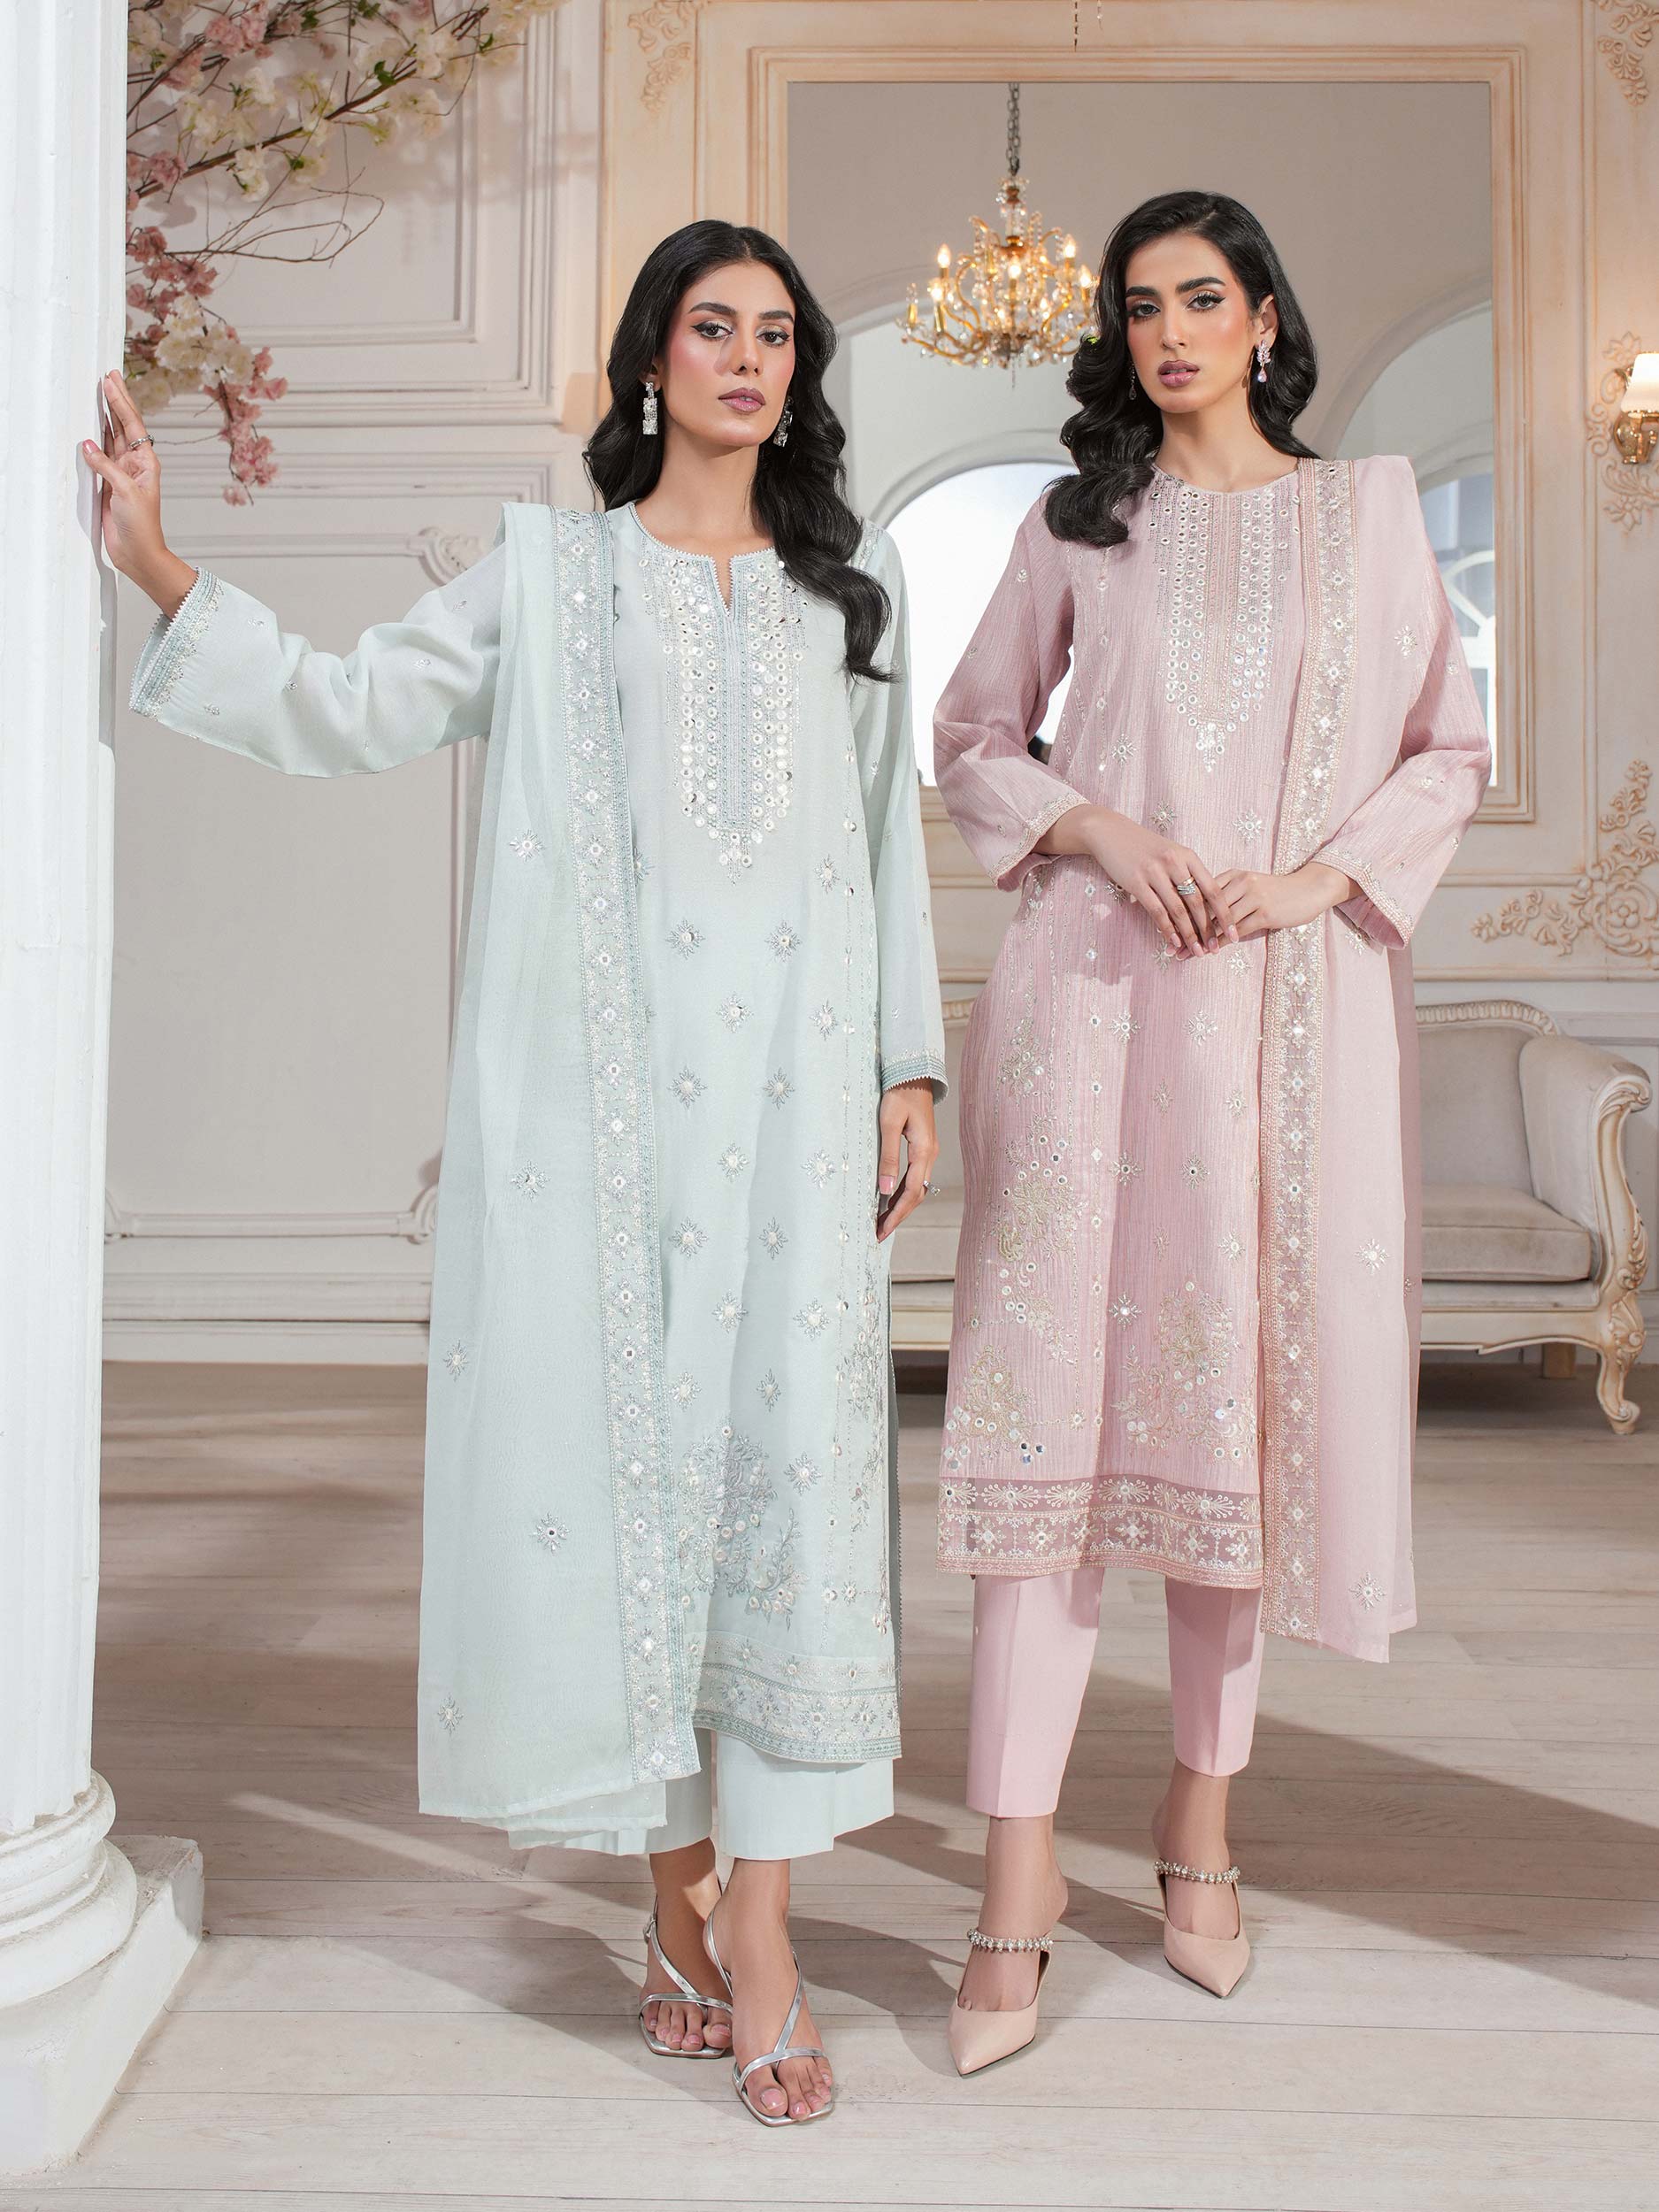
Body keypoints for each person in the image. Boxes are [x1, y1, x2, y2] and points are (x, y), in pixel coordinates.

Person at [84, 219, 945, 2127]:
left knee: (790, 1496)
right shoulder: (553, 578)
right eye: (712, 327)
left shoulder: (847, 589)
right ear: (650, 359)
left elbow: (884, 844)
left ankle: (769, 1929)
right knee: (623, 1496)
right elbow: (350, 705)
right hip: (601, 1129)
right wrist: (157, 565)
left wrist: (908, 1065)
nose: (748, 359)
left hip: (796, 1118)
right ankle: (675, 1902)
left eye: (776, 334)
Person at [929, 189, 1489, 2074]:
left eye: (1199, 298)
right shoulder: (1079, 522)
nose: (1166, 331)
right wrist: (1096, 826)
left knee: (1229, 1420)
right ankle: (1014, 1878)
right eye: (1138, 306)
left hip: (1282, 1017)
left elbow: (1446, 746)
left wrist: (1316, 876)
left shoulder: (1369, 513)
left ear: (1261, 317)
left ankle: (1196, 1821)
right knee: (1046, 1435)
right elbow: (973, 736)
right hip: (1088, 1005)